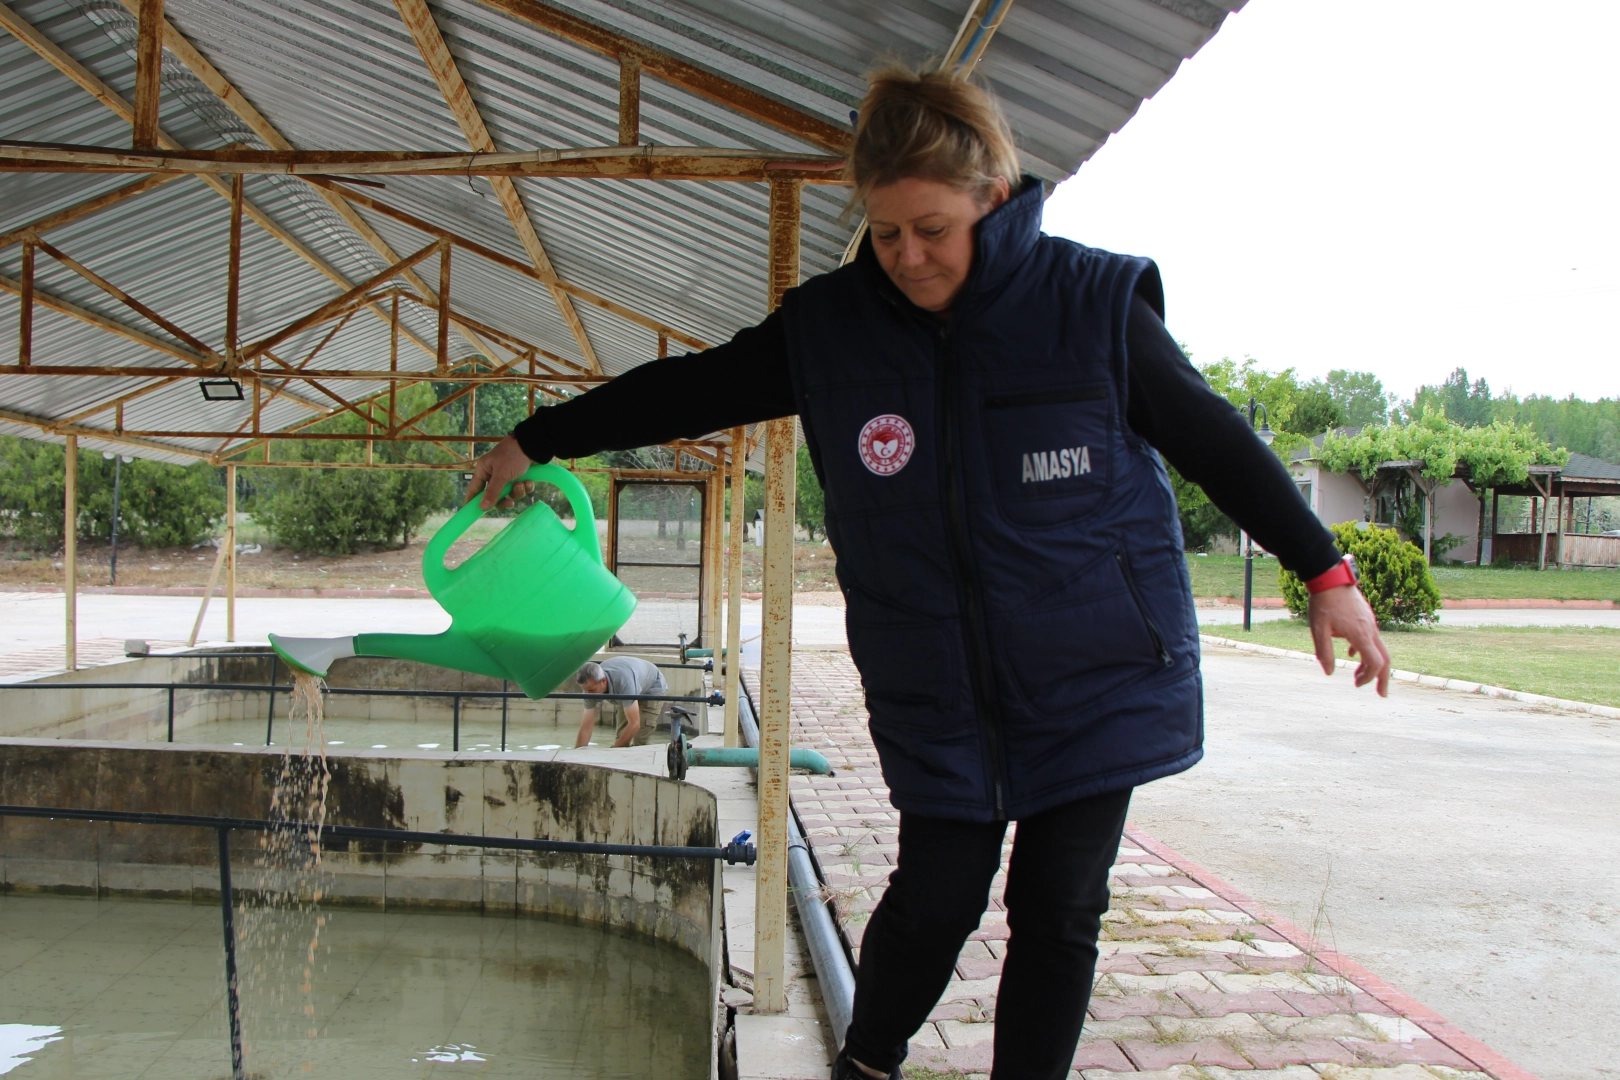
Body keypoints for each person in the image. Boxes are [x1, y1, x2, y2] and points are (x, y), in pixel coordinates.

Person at [471, 63, 1391, 1080]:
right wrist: (539, 436)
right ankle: (867, 1066)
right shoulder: (835, 328)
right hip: (937, 680)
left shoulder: (1089, 306)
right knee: (939, 892)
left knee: (1059, 909)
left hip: (1098, 672)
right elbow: (695, 388)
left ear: (993, 199)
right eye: (887, 231)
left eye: (933, 229)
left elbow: (1215, 439)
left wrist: (1324, 573)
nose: (908, 257)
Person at [573, 656, 676, 748]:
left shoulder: (623, 681)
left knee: (640, 740)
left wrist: (613, 751)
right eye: (585, 690)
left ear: (603, 681)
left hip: (652, 687)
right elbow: (586, 725)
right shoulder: (590, 687)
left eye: (592, 690)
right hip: (628, 684)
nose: (588, 694)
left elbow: (634, 724)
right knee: (621, 736)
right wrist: (577, 754)